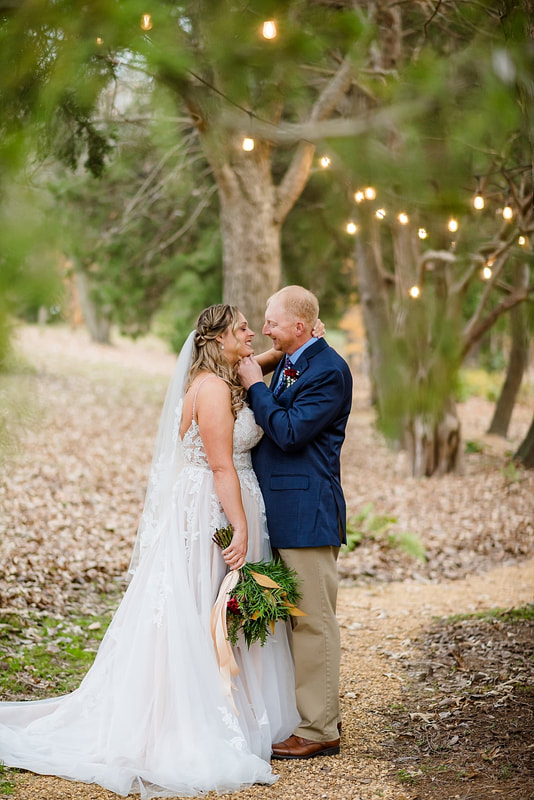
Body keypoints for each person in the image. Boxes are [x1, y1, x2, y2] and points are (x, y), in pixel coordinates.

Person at [0, 304, 300, 798]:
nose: (251, 333)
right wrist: (240, 528)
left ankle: (235, 707)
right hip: (213, 509)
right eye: (242, 328)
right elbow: (222, 466)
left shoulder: (223, 377)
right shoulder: (210, 390)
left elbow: (256, 364)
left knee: (220, 607)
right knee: (206, 602)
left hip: (226, 499)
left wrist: (279, 350)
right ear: (221, 339)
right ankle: (186, 716)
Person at [238, 285, 353, 760]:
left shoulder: (329, 371)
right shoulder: (297, 358)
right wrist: (265, 363)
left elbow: (287, 433)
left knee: (313, 622)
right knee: (290, 621)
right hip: (280, 512)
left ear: (301, 327)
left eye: (273, 322)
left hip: (309, 513)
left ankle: (320, 727)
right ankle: (307, 714)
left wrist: (255, 387)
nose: (266, 329)